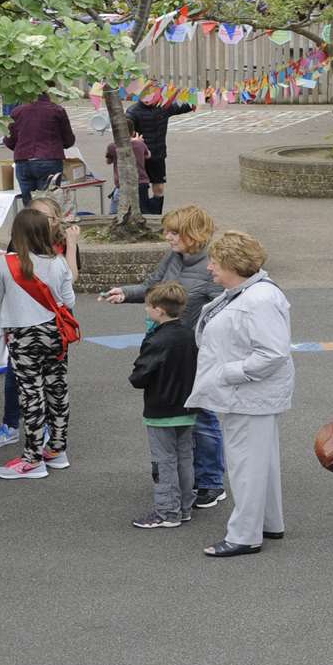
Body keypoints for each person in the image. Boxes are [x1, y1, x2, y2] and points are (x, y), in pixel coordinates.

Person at [99, 205, 226, 506]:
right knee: (182, 414)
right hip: (169, 348)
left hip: (194, 353)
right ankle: (189, 478)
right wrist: (126, 293)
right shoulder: (174, 257)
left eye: (174, 232)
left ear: (192, 234)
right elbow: (153, 288)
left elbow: (222, 314)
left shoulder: (212, 269)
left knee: (203, 416)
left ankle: (211, 482)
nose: (167, 236)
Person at [186, 231, 293, 558]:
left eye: (215, 262)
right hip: (252, 395)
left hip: (248, 395)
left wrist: (227, 373)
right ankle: (268, 523)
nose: (209, 268)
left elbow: (273, 354)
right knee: (262, 462)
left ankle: (244, 535)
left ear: (233, 264)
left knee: (246, 465)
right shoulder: (250, 291)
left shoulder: (256, 299)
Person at [0, 207, 77, 480]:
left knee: (31, 394)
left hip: (23, 337)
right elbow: (69, 302)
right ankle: (57, 450)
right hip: (55, 333)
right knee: (57, 390)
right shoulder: (59, 261)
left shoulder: (5, 263)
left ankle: (32, 459)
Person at [128, 282, 198, 529]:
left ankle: (167, 511)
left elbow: (140, 376)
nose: (147, 310)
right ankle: (185, 506)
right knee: (185, 457)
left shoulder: (157, 340)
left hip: (160, 408)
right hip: (187, 406)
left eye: (149, 307)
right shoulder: (190, 335)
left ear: (159, 310)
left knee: (163, 461)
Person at [3, 92, 76, 206]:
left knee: (29, 204)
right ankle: (47, 223)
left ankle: (31, 223)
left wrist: (22, 146)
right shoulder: (57, 110)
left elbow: (9, 140)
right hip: (49, 158)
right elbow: (68, 140)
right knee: (49, 202)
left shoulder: (17, 111)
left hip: (23, 160)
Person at [125, 98, 196, 214]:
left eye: (151, 95)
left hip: (157, 155)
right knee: (141, 188)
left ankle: (156, 215)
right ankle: (141, 215)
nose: (147, 99)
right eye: (145, 95)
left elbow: (186, 106)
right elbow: (123, 131)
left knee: (159, 188)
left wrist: (197, 99)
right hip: (139, 158)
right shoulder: (132, 112)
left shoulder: (164, 107)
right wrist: (133, 140)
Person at [105, 132, 152, 217]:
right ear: (133, 132)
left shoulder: (112, 146)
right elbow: (148, 155)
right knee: (143, 211)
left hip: (122, 184)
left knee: (115, 213)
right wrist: (138, 142)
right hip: (141, 183)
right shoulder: (140, 144)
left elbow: (108, 161)